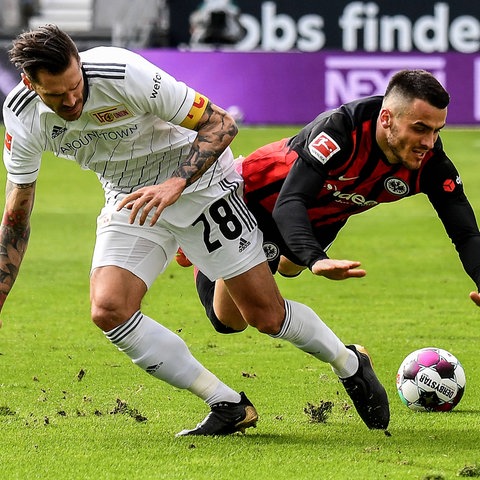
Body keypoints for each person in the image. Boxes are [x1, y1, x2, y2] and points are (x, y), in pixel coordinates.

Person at [0, 24, 389, 435]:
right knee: (109, 309)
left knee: (264, 316)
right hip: (131, 198)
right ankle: (227, 404)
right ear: (30, 83)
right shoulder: (22, 115)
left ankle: (349, 363)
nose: (73, 99)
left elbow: (220, 124)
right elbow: (17, 215)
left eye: (76, 86)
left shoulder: (122, 72)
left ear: (80, 64)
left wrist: (175, 184)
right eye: (57, 95)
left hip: (201, 186)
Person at [187, 69, 480, 341]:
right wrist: (316, 258)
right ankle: (203, 240)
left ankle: (271, 257)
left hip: (324, 219)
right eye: (420, 128)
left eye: (436, 130)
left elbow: (466, 234)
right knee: (230, 321)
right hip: (252, 203)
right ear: (387, 118)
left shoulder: (431, 164)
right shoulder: (341, 131)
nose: (429, 142)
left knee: (291, 266)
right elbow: (290, 201)